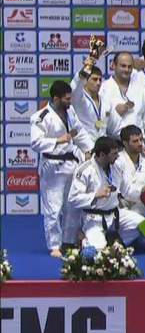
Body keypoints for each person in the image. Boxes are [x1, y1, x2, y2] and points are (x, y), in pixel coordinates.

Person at [31, 80, 94, 257]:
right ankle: (54, 245)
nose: (69, 101)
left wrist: (90, 150)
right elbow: (35, 143)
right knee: (54, 208)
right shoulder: (41, 116)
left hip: (71, 164)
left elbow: (79, 131)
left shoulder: (70, 111)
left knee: (71, 206)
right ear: (55, 98)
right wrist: (58, 140)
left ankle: (68, 241)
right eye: (66, 99)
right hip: (52, 167)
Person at [68, 136, 145, 249]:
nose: (117, 156)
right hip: (94, 219)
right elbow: (73, 199)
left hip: (115, 215)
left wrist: (143, 190)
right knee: (98, 248)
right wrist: (95, 195)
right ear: (102, 155)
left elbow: (126, 190)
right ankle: (83, 240)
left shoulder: (117, 166)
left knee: (142, 224)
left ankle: (117, 242)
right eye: (114, 154)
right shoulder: (85, 170)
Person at [101, 52, 145, 151]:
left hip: (139, 145)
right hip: (113, 147)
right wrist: (115, 113)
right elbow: (101, 121)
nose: (126, 70)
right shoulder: (103, 89)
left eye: (129, 67)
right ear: (113, 65)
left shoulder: (141, 89)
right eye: (123, 66)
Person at [115, 125, 145, 218]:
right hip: (125, 204)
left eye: (141, 139)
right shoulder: (118, 161)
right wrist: (142, 190)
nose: (140, 143)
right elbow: (125, 191)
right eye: (135, 141)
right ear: (125, 143)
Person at [70, 65, 112, 142]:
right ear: (85, 81)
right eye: (94, 79)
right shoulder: (79, 98)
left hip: (101, 145)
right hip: (83, 145)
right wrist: (87, 67)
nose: (98, 83)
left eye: (100, 80)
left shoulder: (105, 101)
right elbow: (75, 86)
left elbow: (105, 122)